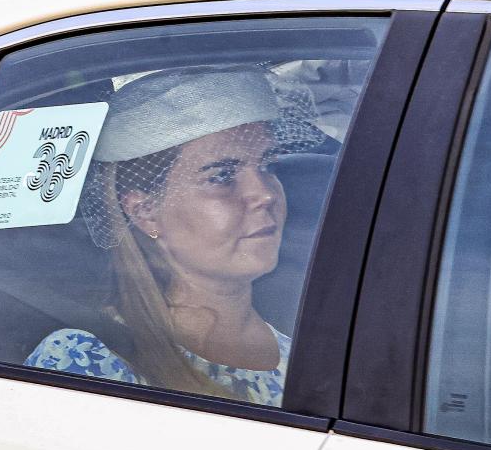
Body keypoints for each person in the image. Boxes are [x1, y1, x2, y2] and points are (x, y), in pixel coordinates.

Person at [25, 65, 325, 406]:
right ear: (145, 211)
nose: (265, 194)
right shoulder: (89, 363)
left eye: (268, 166)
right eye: (221, 176)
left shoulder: (315, 346)